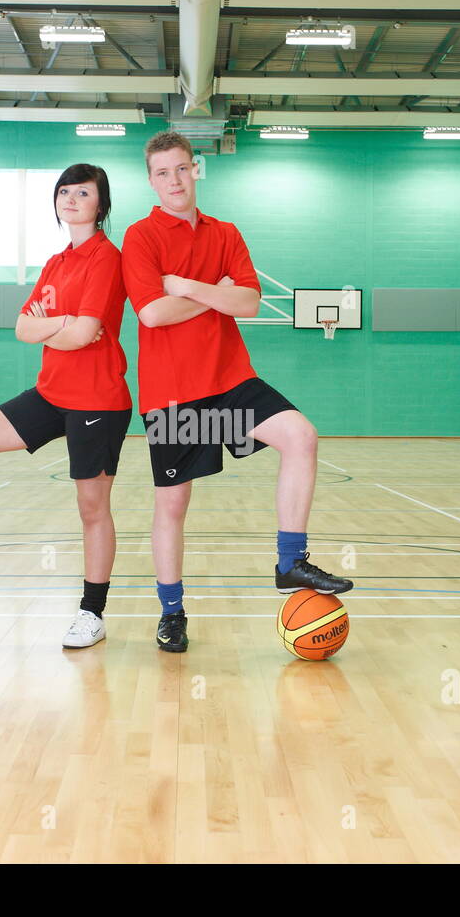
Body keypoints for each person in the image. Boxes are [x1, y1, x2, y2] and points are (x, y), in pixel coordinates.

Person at [120, 132, 353, 654]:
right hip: (173, 393)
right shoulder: (140, 237)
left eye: (182, 169)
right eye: (163, 173)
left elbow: (249, 303)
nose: (174, 180)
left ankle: (290, 562)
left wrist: (188, 286)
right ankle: (172, 613)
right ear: (151, 179)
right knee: (173, 507)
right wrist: (218, 294)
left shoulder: (225, 233)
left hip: (230, 381)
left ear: (195, 170)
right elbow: (152, 313)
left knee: (301, 436)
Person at [0, 164, 131, 649]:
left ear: (101, 204)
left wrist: (54, 325)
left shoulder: (105, 258)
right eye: (64, 191)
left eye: (83, 192)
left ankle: (91, 613)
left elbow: (80, 334)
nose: (71, 199)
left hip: (98, 398)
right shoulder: (56, 263)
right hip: (51, 393)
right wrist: (65, 322)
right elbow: (23, 328)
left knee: (92, 509)